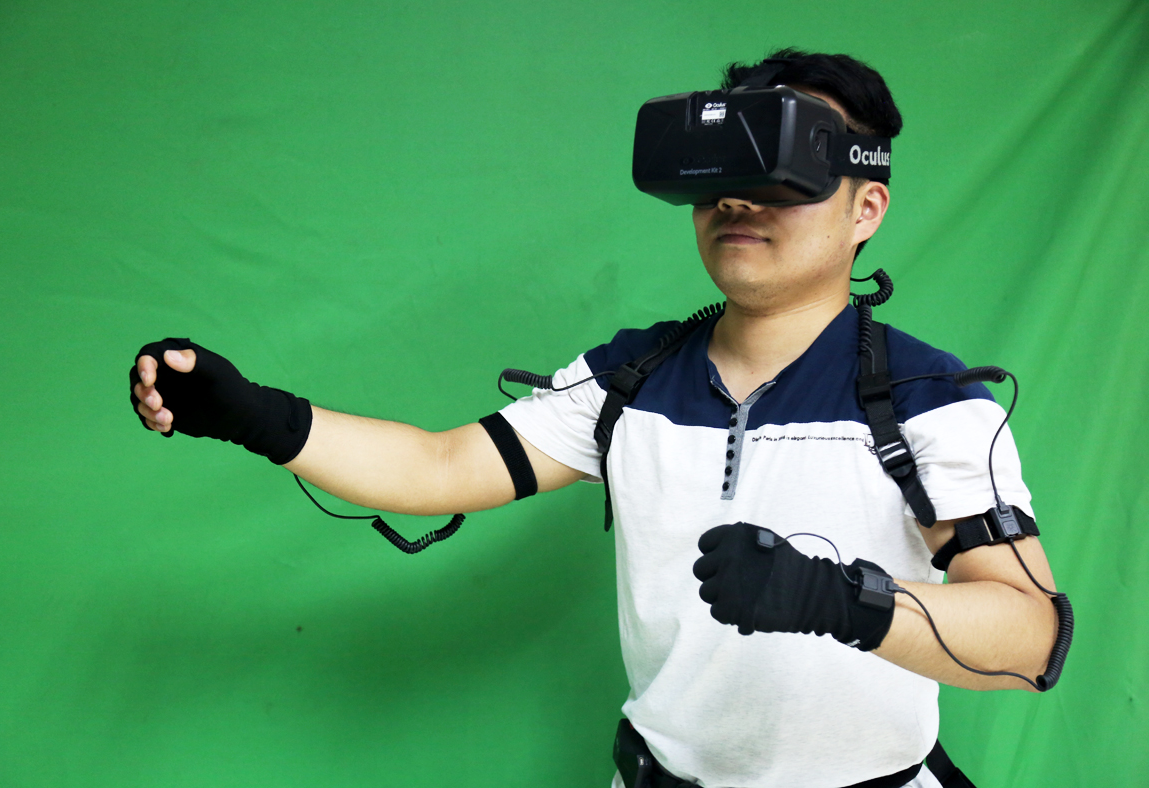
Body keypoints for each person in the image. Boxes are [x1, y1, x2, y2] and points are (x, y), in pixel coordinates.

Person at [129, 49, 1060, 788]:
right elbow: (439, 467)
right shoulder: (629, 379)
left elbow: (1033, 637)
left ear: (867, 208)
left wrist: (841, 600)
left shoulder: (927, 403)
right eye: (725, 167)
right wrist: (252, 414)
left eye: (785, 168)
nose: (738, 198)